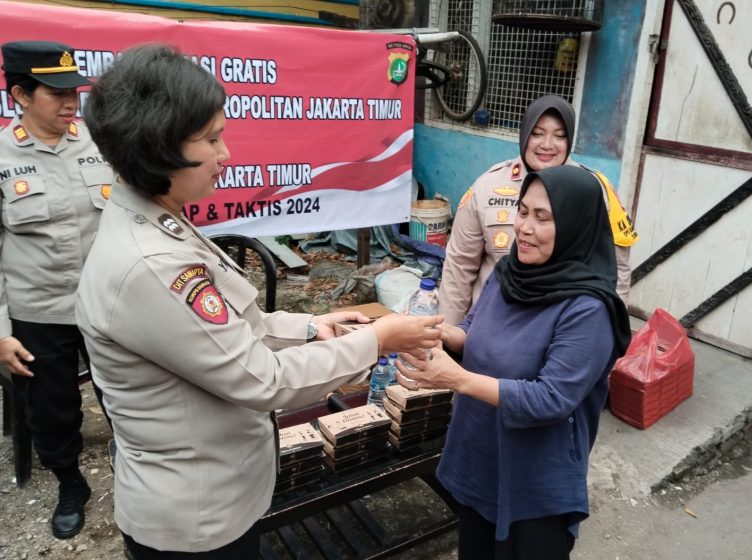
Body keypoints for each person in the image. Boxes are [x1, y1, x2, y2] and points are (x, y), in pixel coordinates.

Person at [76, 43, 442, 557]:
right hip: (197, 522)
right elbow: (262, 379)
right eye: (212, 139)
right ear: (159, 148)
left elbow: (222, 327)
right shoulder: (151, 264)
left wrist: (311, 328)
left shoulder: (160, 217)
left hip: (219, 494)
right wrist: (378, 340)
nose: (226, 154)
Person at [397, 165, 632, 559]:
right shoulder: (511, 271)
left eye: (543, 217)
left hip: (535, 478)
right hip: (481, 453)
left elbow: (551, 398)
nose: (525, 227)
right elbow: (474, 329)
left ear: (576, 224)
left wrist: (457, 379)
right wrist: (435, 333)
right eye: (523, 211)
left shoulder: (589, 309)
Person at [0, 40, 112, 539]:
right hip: (38, 311)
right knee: (50, 409)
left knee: (126, 391)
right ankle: (71, 483)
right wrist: (1, 332)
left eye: (75, 92)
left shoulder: (99, 145)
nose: (71, 103)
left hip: (106, 303)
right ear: (21, 94)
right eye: (56, 92)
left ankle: (135, 466)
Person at [438, 95, 639, 326]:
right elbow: (459, 266)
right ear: (524, 134)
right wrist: (446, 334)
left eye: (560, 136)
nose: (547, 145)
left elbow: (619, 269)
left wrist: (612, 332)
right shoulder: (487, 187)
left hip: (562, 332)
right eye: (537, 133)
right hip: (488, 328)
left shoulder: (595, 190)